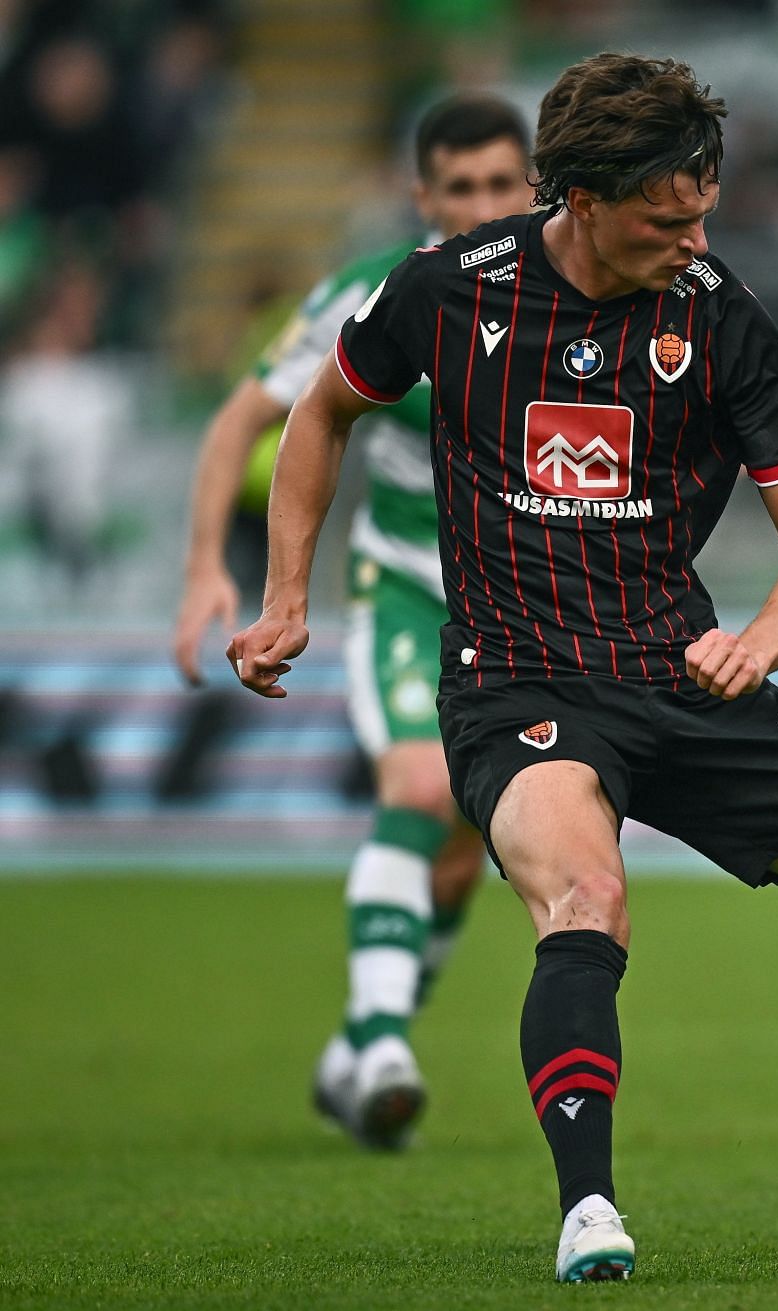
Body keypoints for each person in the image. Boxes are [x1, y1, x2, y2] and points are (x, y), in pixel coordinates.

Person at [224, 53, 778, 1282]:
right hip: (517, 682)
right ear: (578, 197)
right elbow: (319, 414)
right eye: (666, 214)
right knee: (587, 902)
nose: (694, 233)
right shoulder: (447, 289)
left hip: (682, 676)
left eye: (705, 207)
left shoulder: (724, 318)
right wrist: (284, 599)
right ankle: (589, 1210)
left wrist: (760, 644)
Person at [172, 95, 535, 1148]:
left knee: (467, 855)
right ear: (424, 198)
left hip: (524, 606)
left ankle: (357, 1052)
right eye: (458, 189)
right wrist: (209, 566)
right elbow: (250, 412)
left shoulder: (578, 296)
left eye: (500, 186)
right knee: (420, 786)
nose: (480, 206)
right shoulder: (382, 292)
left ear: (536, 189)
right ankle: (381, 1042)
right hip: (408, 585)